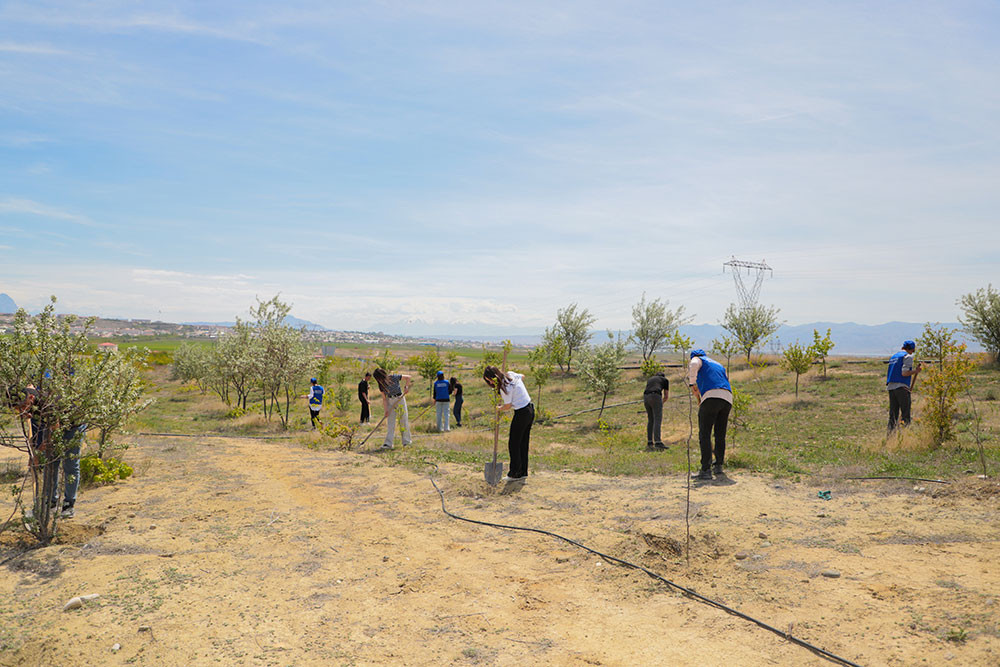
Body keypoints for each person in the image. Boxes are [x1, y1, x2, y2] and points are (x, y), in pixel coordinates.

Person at [687, 349, 733, 481]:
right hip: (727, 398)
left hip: (711, 397)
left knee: (705, 433)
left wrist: (692, 384)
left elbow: (694, 364)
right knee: (720, 434)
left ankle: (705, 470)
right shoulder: (717, 364)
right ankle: (718, 466)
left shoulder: (698, 360)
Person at [483, 365, 534, 483]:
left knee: (514, 443)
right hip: (530, 409)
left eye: (488, 380)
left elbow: (507, 406)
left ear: (493, 378)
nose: (489, 382)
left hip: (521, 413)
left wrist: (499, 408)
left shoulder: (504, 388)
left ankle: (515, 473)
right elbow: (523, 376)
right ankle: (522, 472)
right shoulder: (511, 374)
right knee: (523, 443)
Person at [372, 368, 412, 450]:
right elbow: (384, 399)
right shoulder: (381, 385)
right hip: (390, 401)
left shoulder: (393, 377)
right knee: (390, 422)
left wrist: (406, 387)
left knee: (403, 420)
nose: (378, 380)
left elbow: (408, 377)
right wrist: (386, 410)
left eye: (379, 378)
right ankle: (388, 443)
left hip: (399, 399)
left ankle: (406, 442)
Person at [887, 339, 922, 433]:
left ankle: (890, 436)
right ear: (912, 349)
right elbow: (904, 373)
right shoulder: (908, 356)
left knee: (893, 414)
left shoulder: (894, 357)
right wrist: (916, 371)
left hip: (891, 387)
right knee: (905, 414)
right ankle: (906, 435)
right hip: (902, 388)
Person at [643, 371, 669, 451]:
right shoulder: (665, 380)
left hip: (646, 397)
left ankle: (650, 441)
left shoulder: (650, 379)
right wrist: (660, 403)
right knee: (657, 419)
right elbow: (666, 396)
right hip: (656, 396)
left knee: (651, 420)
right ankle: (658, 442)